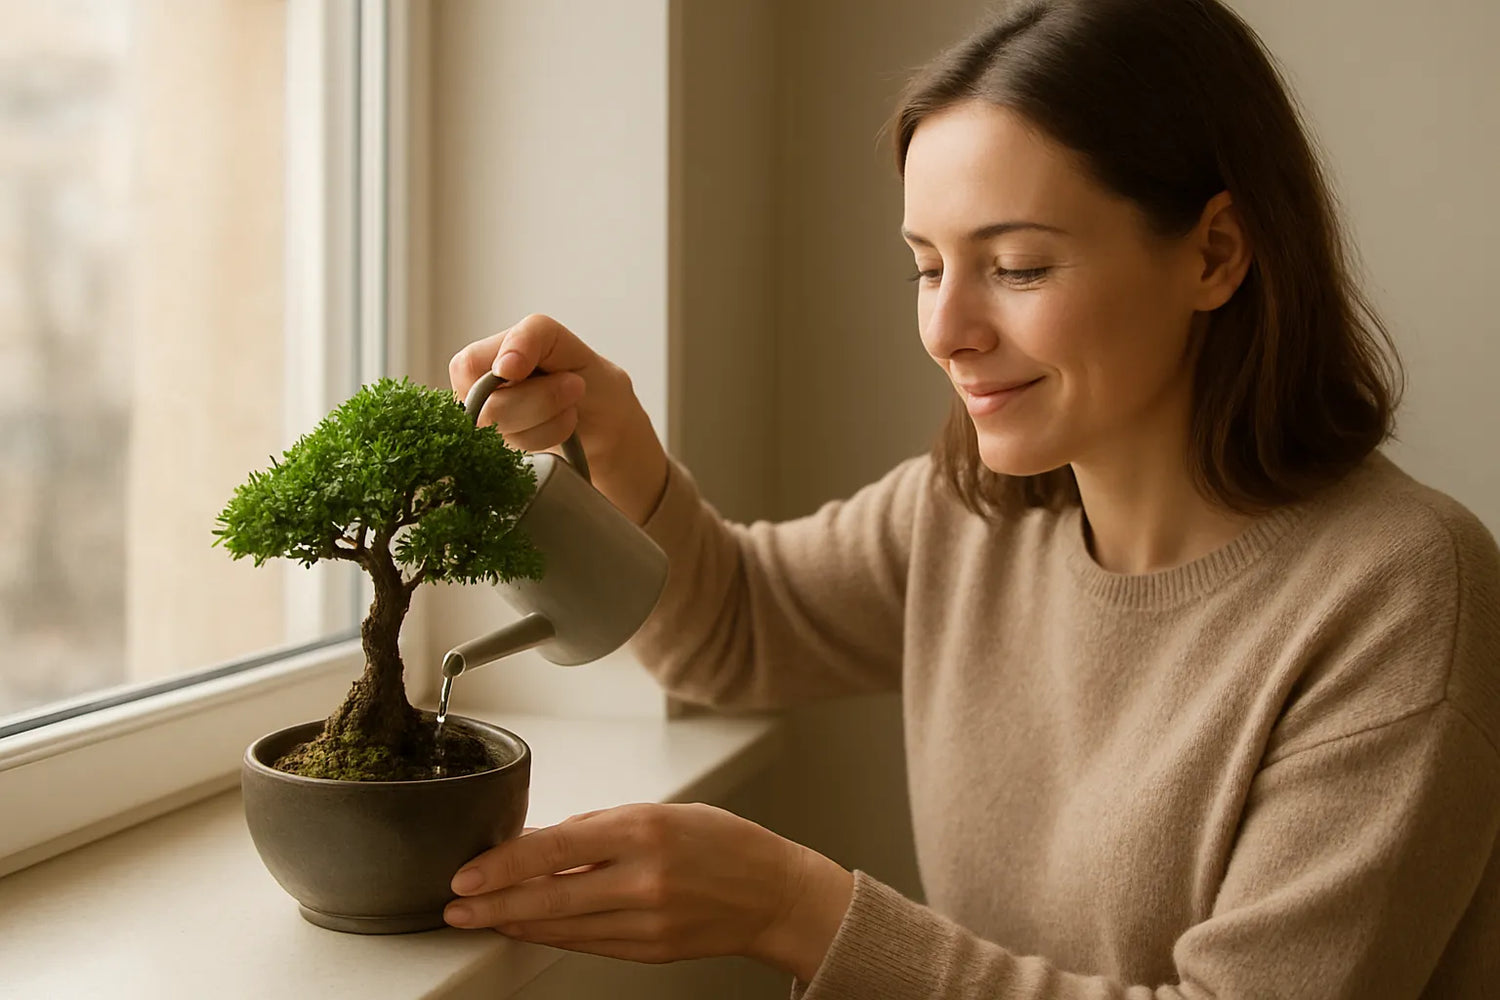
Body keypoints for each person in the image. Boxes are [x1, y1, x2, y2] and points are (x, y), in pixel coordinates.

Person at [442, 0, 1500, 995]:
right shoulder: (975, 513)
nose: (948, 330)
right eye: (925, 266)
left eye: (1019, 266)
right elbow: (728, 627)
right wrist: (615, 439)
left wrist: (799, 910)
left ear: (1216, 254)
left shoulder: (1403, 593)